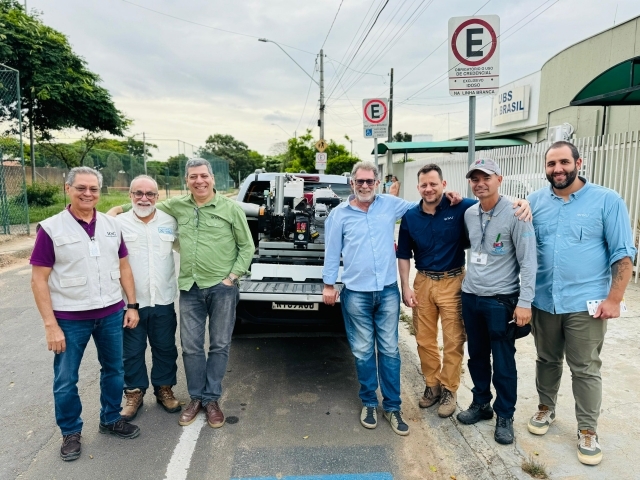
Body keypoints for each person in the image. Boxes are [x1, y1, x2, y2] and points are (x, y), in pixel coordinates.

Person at [108, 158, 254, 429]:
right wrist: (118, 209)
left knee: (220, 345)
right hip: (189, 288)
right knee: (190, 347)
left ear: (212, 178)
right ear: (186, 181)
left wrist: (231, 278)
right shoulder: (176, 207)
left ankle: (212, 400)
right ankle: (196, 397)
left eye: (203, 176)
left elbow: (247, 247)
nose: (199, 181)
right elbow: (144, 204)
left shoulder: (230, 209)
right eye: (193, 177)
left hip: (222, 289)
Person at [527, 141, 636, 466]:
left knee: (585, 368)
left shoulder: (607, 200)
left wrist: (614, 299)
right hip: (544, 301)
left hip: (585, 305)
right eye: (551, 164)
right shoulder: (535, 202)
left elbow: (623, 254)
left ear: (578, 162)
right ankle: (546, 408)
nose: (557, 169)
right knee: (546, 359)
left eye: (563, 162)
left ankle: (588, 429)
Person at [398, 164, 531, 418]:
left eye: (434, 184)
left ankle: (449, 389)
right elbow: (403, 254)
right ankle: (432, 385)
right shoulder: (410, 217)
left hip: (454, 281)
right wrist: (406, 286)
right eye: (424, 185)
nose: (429, 189)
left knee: (454, 339)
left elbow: (491, 200)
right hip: (423, 281)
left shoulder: (462, 207)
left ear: (444, 185)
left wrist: (522, 202)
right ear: (418, 188)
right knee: (424, 339)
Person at [30, 167, 141, 462]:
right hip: (69, 319)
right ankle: (70, 432)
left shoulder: (111, 225)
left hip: (111, 314)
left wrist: (132, 305)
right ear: (68, 189)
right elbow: (39, 279)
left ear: (100, 192)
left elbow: (124, 267)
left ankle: (110, 418)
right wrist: (50, 325)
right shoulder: (51, 228)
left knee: (115, 370)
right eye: (81, 188)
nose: (87, 194)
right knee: (66, 379)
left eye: (93, 189)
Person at [455, 158, 537, 446]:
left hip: (501, 300)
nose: (480, 183)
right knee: (476, 355)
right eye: (475, 179)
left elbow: (529, 262)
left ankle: (505, 415)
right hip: (471, 296)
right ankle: (481, 403)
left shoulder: (516, 213)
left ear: (499, 179)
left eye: (486, 178)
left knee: (503, 361)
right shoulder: (469, 213)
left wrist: (525, 302)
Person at [116, 175, 181, 421]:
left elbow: (185, 247)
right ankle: (134, 393)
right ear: (130, 195)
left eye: (150, 194)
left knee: (165, 348)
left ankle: (164, 388)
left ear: (158, 196)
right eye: (139, 193)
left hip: (163, 299)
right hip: (130, 303)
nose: (144, 198)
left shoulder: (170, 221)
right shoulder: (117, 223)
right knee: (131, 351)